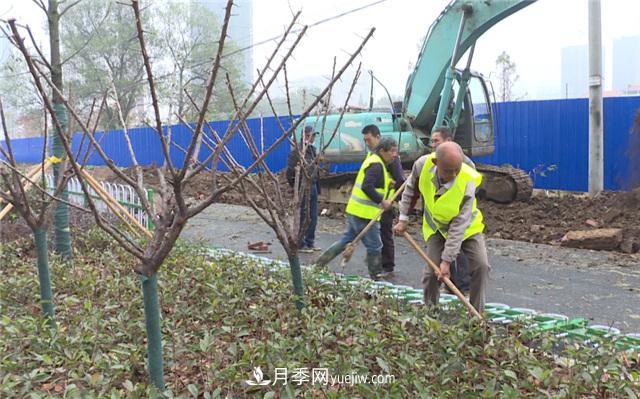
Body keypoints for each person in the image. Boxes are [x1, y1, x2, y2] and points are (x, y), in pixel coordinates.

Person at [393, 141, 490, 312]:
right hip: (436, 227)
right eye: (448, 170)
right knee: (432, 273)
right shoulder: (422, 165)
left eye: (457, 169)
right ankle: (431, 311)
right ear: (436, 164)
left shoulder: (468, 179)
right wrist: (403, 218)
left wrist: (447, 261)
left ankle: (477, 315)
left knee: (481, 266)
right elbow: (410, 190)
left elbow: (459, 225)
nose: (453, 175)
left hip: (467, 228)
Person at [314, 137, 399, 280]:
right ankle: (375, 277)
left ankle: (318, 265)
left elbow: (375, 184)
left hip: (356, 211)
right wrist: (381, 201)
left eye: (396, 151)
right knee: (375, 246)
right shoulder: (376, 165)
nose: (395, 154)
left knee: (345, 240)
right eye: (392, 151)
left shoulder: (376, 162)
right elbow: (367, 186)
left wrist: (389, 185)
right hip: (363, 214)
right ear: (382, 151)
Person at [428, 126, 473, 292]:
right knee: (435, 266)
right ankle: (444, 291)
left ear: (448, 141)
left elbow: (463, 203)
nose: (433, 145)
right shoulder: (428, 164)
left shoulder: (466, 167)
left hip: (459, 218)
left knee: (458, 252)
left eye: (436, 141)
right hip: (438, 223)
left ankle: (461, 286)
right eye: (432, 141)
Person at [361, 124, 405, 276]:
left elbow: (400, 179)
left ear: (377, 137)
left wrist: (393, 199)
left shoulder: (391, 157)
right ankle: (377, 264)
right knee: (376, 234)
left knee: (385, 234)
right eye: (365, 140)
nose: (367, 143)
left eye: (369, 139)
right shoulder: (373, 156)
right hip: (377, 203)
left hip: (387, 202)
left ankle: (388, 266)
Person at [286, 125, 321, 253]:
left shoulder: (312, 150)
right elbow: (289, 173)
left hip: (313, 187)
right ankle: (300, 244)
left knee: (313, 217)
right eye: (312, 135)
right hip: (303, 188)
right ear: (305, 135)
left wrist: (317, 187)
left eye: (315, 135)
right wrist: (297, 187)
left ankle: (310, 242)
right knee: (303, 216)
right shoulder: (297, 152)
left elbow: (316, 171)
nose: (314, 138)